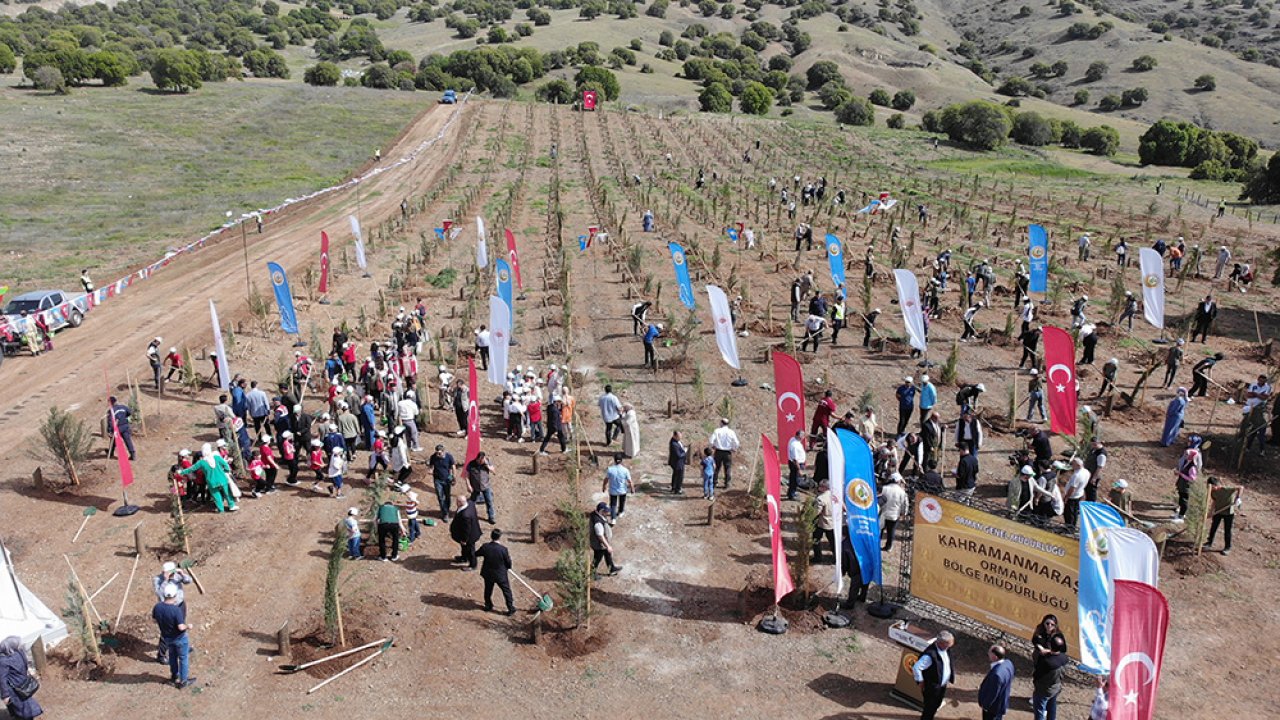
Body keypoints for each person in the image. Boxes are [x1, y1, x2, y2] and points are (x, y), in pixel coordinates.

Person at [152, 583, 195, 688]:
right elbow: (181, 627)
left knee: (172, 656)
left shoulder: (157, 607)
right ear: (175, 595)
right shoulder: (176, 610)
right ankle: (183, 681)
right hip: (179, 638)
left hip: (167, 638)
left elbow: (154, 620)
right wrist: (188, 626)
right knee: (183, 658)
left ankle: (174, 676)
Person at [151, 562, 192, 663]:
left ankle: (181, 647)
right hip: (167, 609)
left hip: (180, 605)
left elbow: (188, 581)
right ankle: (161, 655)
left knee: (180, 626)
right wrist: (165, 580)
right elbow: (160, 594)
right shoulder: (157, 579)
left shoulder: (177, 576)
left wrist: (182, 574)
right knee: (167, 631)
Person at [178, 444, 237, 513]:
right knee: (227, 493)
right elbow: (226, 465)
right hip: (222, 478)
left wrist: (181, 472)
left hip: (212, 481)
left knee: (216, 495)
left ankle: (221, 509)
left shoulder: (201, 462)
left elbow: (191, 469)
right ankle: (232, 505)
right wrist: (226, 471)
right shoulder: (217, 457)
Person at [913, 630, 955, 720]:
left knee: (936, 704)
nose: (951, 645)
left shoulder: (946, 649)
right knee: (929, 708)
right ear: (941, 643)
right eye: (949, 644)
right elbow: (917, 667)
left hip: (941, 685)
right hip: (932, 687)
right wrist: (920, 681)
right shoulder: (930, 655)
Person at [0, 636, 42, 720]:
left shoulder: (3, 661)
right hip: (23, 683)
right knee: (24, 705)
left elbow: (2, 679)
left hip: (13, 689)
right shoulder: (20, 653)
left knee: (21, 708)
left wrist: (5, 695)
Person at [477, 529, 516, 615]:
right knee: (506, 591)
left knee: (488, 590)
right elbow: (508, 563)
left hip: (488, 573)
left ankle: (488, 605)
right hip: (500, 575)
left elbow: (477, 554)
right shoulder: (503, 550)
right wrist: (508, 566)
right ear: (499, 537)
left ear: (491, 536)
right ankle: (510, 608)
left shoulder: (485, 547)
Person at [1032, 636, 1070, 720]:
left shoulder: (1046, 661)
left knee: (1039, 711)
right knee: (1052, 708)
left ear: (1050, 645)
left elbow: (1037, 674)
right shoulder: (1064, 658)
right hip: (1056, 687)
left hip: (1043, 689)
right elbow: (1056, 655)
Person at [1203, 478, 1241, 555]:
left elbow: (1240, 488)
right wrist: (1210, 512)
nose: (1212, 489)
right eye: (1210, 487)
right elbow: (1214, 501)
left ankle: (1227, 547)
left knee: (1227, 530)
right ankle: (1209, 543)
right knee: (1213, 527)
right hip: (1218, 511)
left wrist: (1238, 498)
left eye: (1213, 487)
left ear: (1216, 485)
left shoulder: (1226, 490)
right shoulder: (1212, 492)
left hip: (1228, 513)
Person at [978, 644, 1014, 720]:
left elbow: (993, 693)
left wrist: (985, 706)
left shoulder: (997, 675)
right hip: (1001, 703)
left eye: (990, 652)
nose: (988, 654)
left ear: (995, 657)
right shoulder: (1008, 663)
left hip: (993, 708)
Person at [589, 503, 622, 578]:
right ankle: (591, 573)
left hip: (601, 543)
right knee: (597, 559)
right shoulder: (598, 522)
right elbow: (600, 535)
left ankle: (612, 569)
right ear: (601, 511)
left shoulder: (596, 514)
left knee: (607, 554)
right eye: (606, 511)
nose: (608, 513)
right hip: (599, 544)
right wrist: (607, 546)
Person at [450, 495, 482, 569]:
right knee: (464, 548)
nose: (456, 503)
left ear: (460, 503)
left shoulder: (465, 516)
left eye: (457, 502)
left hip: (469, 537)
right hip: (468, 534)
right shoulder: (470, 503)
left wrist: (464, 540)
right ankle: (464, 558)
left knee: (470, 551)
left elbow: (466, 530)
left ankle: (473, 565)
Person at [879, 473, 908, 551]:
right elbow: (904, 504)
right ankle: (888, 547)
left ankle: (877, 544)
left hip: (883, 513)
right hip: (894, 514)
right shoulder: (902, 492)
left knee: (880, 529)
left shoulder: (884, 488)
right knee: (891, 531)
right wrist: (903, 513)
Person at [709, 418, 740, 488]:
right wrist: (734, 448)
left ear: (721, 423)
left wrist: (713, 446)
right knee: (727, 468)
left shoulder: (717, 431)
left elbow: (711, 440)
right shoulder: (731, 432)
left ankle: (714, 482)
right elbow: (737, 442)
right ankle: (727, 483)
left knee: (716, 467)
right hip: (727, 452)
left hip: (718, 451)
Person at [811, 480, 837, 562]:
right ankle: (837, 557)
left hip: (822, 522)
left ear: (824, 488)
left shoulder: (821, 499)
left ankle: (818, 557)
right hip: (833, 521)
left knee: (816, 540)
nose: (819, 488)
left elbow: (816, 512)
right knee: (833, 541)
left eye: (820, 486)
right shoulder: (834, 494)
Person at [467, 452, 496, 524]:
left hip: (486, 486)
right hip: (475, 487)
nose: (480, 462)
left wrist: (488, 466)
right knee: (472, 502)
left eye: (482, 460)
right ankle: (470, 515)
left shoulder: (487, 462)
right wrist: (468, 485)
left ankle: (491, 517)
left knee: (489, 501)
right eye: (479, 460)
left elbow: (494, 471)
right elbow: (467, 476)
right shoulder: (471, 464)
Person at [603, 453, 634, 519]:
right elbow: (629, 481)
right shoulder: (625, 470)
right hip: (622, 490)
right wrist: (632, 488)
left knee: (613, 504)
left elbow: (606, 479)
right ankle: (620, 512)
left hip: (613, 491)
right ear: (621, 460)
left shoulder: (610, 469)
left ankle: (613, 518)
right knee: (622, 502)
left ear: (614, 460)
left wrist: (604, 486)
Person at [106, 396, 137, 461]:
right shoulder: (123, 407)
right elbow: (130, 412)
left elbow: (110, 422)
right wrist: (124, 418)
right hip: (125, 427)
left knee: (113, 440)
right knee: (128, 440)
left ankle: (110, 453)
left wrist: (109, 431)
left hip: (117, 428)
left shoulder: (111, 411)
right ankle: (133, 455)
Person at [1063, 458, 1090, 527]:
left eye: (1073, 464)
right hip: (1079, 494)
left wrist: (1066, 497)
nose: (1072, 466)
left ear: (1078, 465)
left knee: (1069, 513)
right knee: (1074, 512)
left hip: (1072, 496)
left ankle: (1069, 528)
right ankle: (1073, 526)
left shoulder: (1077, 475)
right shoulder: (1086, 472)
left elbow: (1072, 488)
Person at [1174, 446, 1200, 518]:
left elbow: (1192, 479)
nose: (1186, 455)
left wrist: (1181, 474)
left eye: (1188, 454)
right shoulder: (1186, 462)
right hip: (1181, 485)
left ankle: (1182, 515)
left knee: (1184, 500)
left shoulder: (1192, 467)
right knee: (1181, 499)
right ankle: (1179, 513)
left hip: (1186, 486)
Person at [786, 430, 806, 500]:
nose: (803, 437)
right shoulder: (794, 445)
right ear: (798, 436)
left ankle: (791, 492)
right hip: (796, 464)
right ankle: (792, 494)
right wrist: (799, 469)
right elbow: (795, 459)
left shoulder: (793, 439)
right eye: (802, 436)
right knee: (795, 480)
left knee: (793, 478)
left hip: (794, 463)